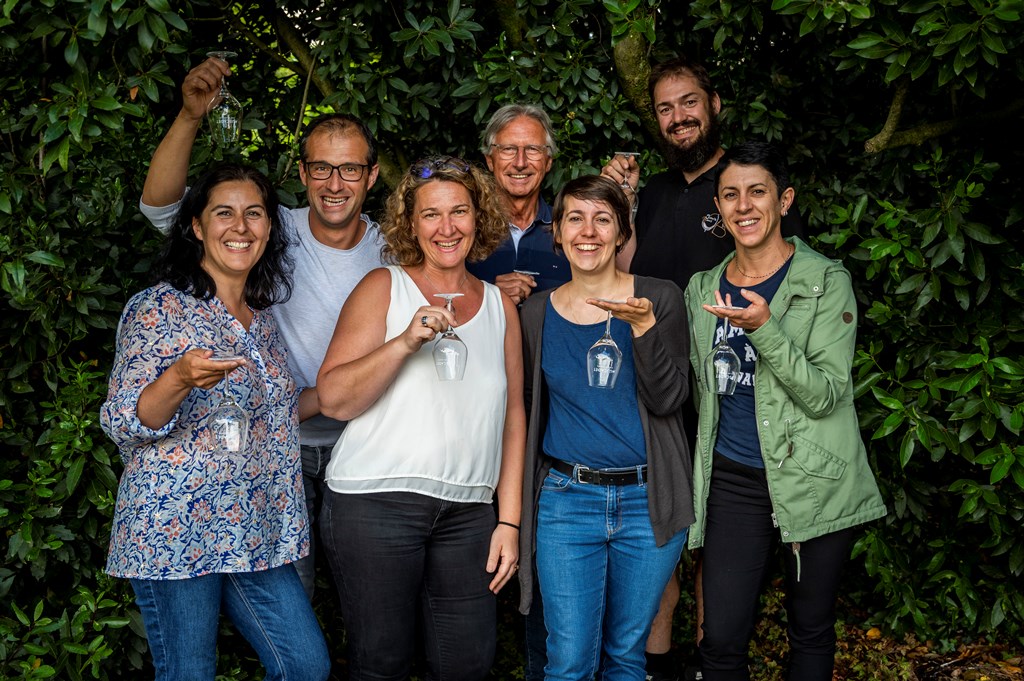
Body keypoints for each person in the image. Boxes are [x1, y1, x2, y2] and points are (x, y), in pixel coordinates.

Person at [138, 55, 384, 599]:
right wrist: (188, 117)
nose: (335, 183)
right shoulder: (272, 231)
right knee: (290, 594)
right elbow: (162, 209)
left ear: (371, 174)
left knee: (370, 599)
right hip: (277, 443)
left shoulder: (395, 246)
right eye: (321, 167)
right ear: (302, 173)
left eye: (349, 169)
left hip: (366, 443)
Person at [601, 55, 806, 681]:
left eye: (688, 103)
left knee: (714, 544)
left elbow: (784, 278)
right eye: (664, 108)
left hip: (727, 396)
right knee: (660, 532)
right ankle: (659, 666)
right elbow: (625, 268)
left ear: (714, 105)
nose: (677, 118)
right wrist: (625, 202)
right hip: (657, 385)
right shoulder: (659, 191)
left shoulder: (746, 188)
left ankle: (708, 665)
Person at [101, 164, 331, 680]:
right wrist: (179, 377)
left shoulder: (263, 317)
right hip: (176, 524)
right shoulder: (158, 308)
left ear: (270, 228)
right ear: (196, 227)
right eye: (223, 213)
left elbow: (278, 408)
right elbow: (125, 420)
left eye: (254, 214)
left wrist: (365, 380)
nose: (241, 226)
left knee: (305, 665)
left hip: (250, 529)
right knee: (190, 673)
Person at [316, 156, 526, 681]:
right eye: (431, 215)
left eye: (460, 211)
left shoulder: (501, 306)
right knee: (382, 663)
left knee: (468, 664)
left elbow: (514, 415)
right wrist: (406, 340)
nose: (447, 227)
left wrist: (509, 519)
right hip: (374, 504)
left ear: (479, 218)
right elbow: (334, 399)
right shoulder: (383, 287)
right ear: (410, 224)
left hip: (469, 514)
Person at [684, 142, 887, 680]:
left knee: (810, 628)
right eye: (731, 195)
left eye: (757, 192)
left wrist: (765, 329)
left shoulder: (825, 280)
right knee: (720, 637)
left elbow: (823, 394)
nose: (744, 206)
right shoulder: (703, 288)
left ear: (784, 200)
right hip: (733, 479)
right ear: (719, 208)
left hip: (812, 473)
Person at [517, 174, 693, 681]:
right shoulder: (536, 313)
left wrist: (643, 329)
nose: (587, 231)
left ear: (622, 232)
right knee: (569, 659)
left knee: (625, 656)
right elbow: (526, 412)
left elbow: (670, 399)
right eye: (575, 218)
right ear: (557, 233)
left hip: (647, 501)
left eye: (602, 219)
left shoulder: (660, 298)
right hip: (568, 501)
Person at [469, 103, 570, 305]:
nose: (520, 162)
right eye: (508, 149)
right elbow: (438, 297)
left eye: (532, 149)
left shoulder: (572, 231)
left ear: (548, 161)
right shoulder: (463, 230)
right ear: (490, 160)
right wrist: (490, 296)